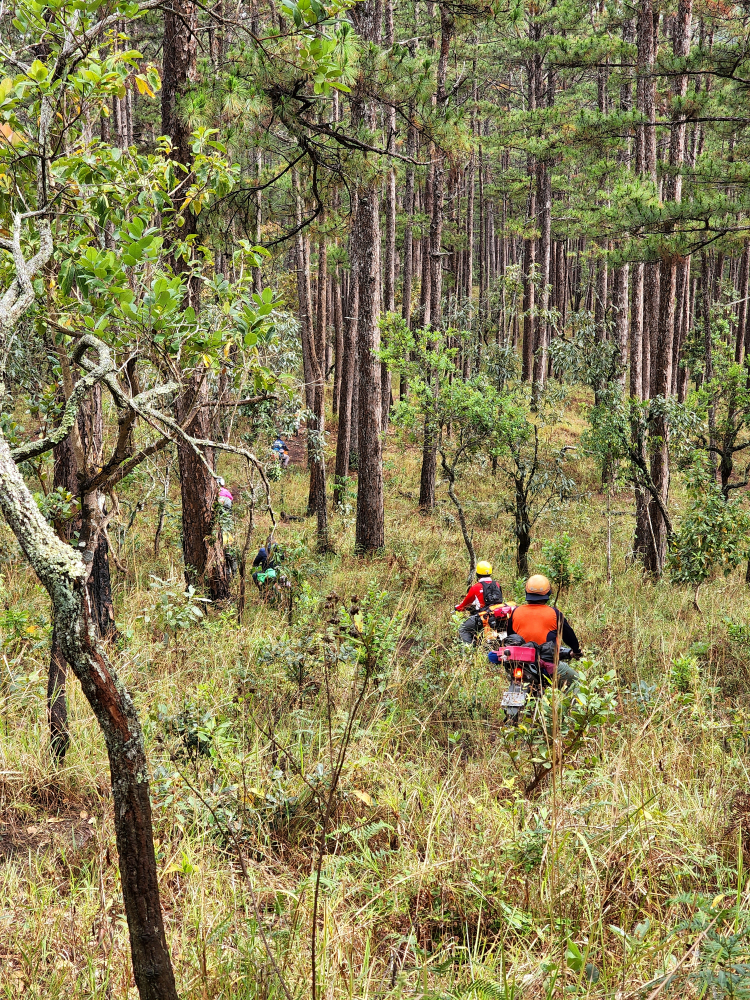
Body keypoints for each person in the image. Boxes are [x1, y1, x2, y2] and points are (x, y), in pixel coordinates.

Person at [504, 574, 581, 687]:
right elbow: (569, 636)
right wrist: (576, 650)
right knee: (576, 681)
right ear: (548, 593)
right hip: (545, 664)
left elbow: (510, 637)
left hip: (520, 663)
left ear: (527, 592)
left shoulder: (515, 612)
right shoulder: (554, 613)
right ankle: (573, 705)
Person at [454, 561, 504, 645]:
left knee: (463, 628)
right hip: (499, 615)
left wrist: (457, 608)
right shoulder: (497, 584)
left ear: (477, 574)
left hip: (483, 616)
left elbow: (464, 605)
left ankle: (468, 650)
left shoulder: (475, 587)